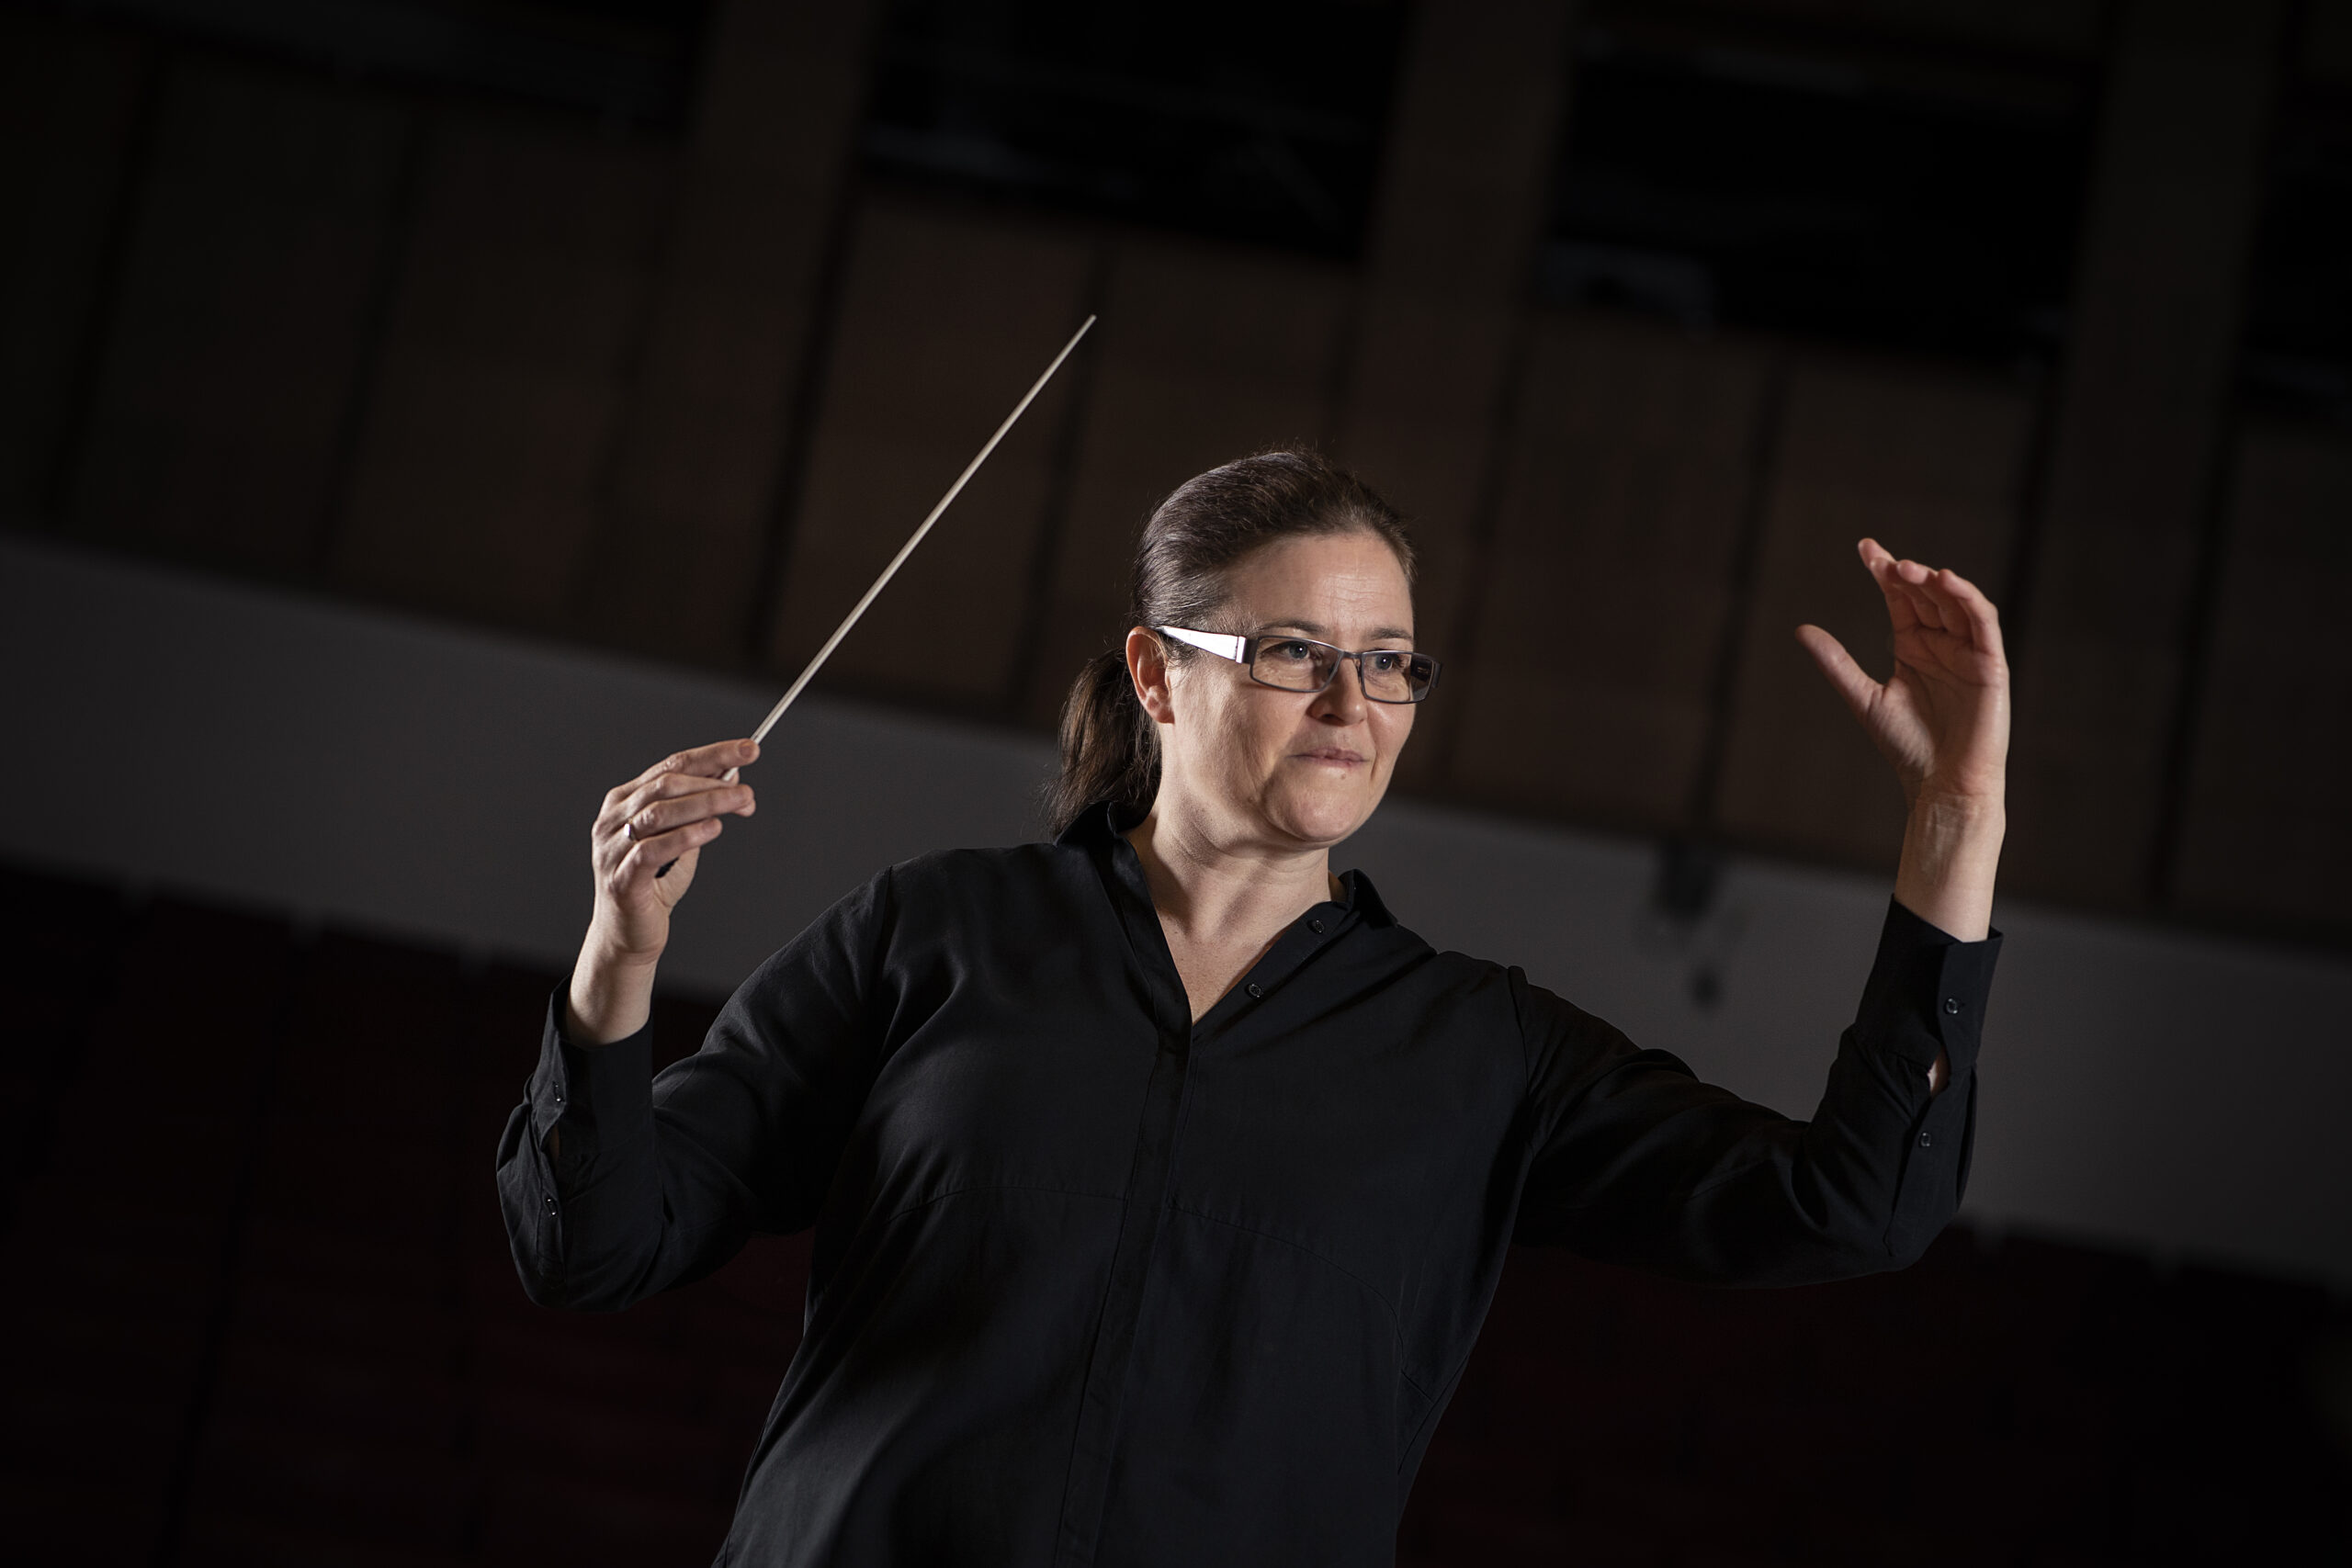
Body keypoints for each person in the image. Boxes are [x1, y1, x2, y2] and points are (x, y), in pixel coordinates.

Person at [497, 450, 2007, 1566]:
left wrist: (1955, 821)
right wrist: (619, 958)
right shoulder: (935, 934)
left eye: (1391, 665)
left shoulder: (1484, 1051)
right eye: (1297, 655)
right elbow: (589, 1248)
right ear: (1159, 674)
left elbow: (1853, 1209)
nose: (1355, 707)